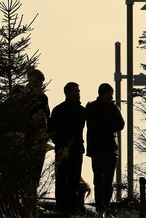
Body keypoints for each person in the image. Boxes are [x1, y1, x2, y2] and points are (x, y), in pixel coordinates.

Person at [0, 68, 51, 218]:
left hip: (33, 143)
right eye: (39, 81)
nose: (40, 85)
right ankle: (14, 206)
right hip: (22, 145)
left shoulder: (41, 99)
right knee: (15, 178)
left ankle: (24, 207)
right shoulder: (24, 102)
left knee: (28, 178)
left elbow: (46, 118)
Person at [86, 83, 125, 217]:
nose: (111, 97)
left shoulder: (114, 108)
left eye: (111, 94)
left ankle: (106, 207)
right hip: (98, 149)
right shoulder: (92, 108)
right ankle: (100, 207)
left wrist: (106, 125)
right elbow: (95, 125)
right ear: (101, 95)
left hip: (111, 149)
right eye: (108, 94)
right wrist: (108, 125)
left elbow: (120, 124)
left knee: (108, 181)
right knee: (99, 180)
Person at [48, 82, 86, 216]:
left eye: (78, 91)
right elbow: (51, 130)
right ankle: (62, 207)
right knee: (62, 179)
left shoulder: (81, 111)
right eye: (75, 91)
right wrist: (59, 142)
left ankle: (72, 207)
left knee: (74, 180)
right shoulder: (59, 110)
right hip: (63, 149)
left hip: (76, 149)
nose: (78, 93)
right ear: (68, 93)